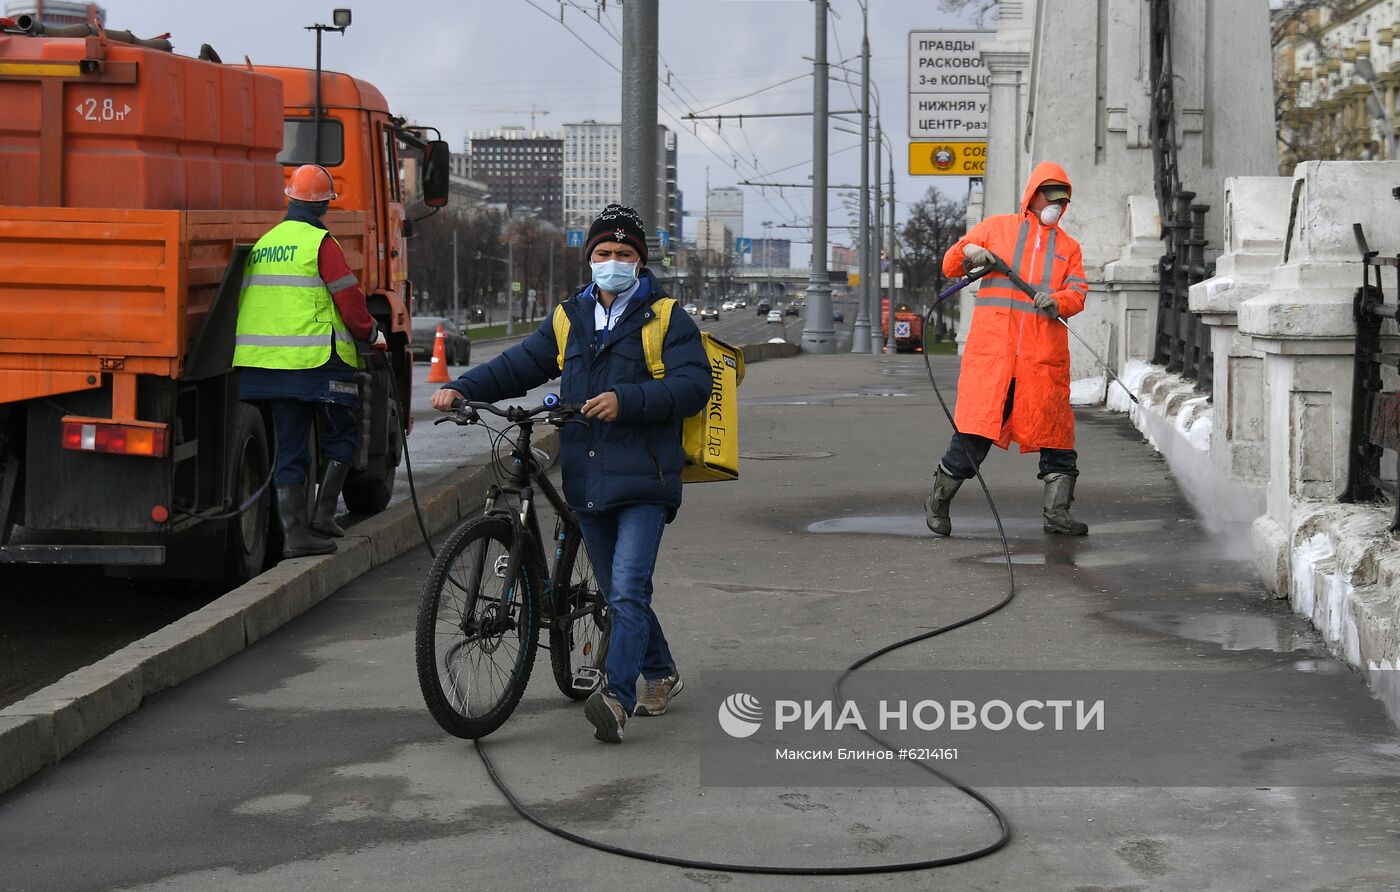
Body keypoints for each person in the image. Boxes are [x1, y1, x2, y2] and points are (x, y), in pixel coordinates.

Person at [430, 204, 709, 743]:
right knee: (616, 590)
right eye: (603, 253)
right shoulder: (570, 316)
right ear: (589, 259)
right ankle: (662, 673)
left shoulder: (667, 317)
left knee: (627, 591)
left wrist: (626, 400)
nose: (613, 262)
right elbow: (521, 364)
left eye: (624, 254)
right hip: (587, 476)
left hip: (645, 480)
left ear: (640, 261)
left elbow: (695, 387)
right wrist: (464, 387)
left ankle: (616, 698)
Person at [925, 162, 1091, 537]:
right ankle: (938, 500)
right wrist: (971, 249)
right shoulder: (997, 228)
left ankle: (1057, 514)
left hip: (1041, 359)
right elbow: (951, 263)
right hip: (994, 358)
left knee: (1057, 437)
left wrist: (1059, 301)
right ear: (1033, 195)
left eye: (1063, 199)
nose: (1057, 205)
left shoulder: (1069, 248)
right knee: (974, 435)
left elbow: (1079, 293)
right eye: (1051, 196)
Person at [234, 163, 385, 559]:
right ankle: (320, 516)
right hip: (316, 363)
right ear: (324, 205)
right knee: (343, 434)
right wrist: (371, 334)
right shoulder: (320, 243)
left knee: (290, 448)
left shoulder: (266, 243)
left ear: (291, 198)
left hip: (267, 367)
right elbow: (350, 303)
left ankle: (296, 536)